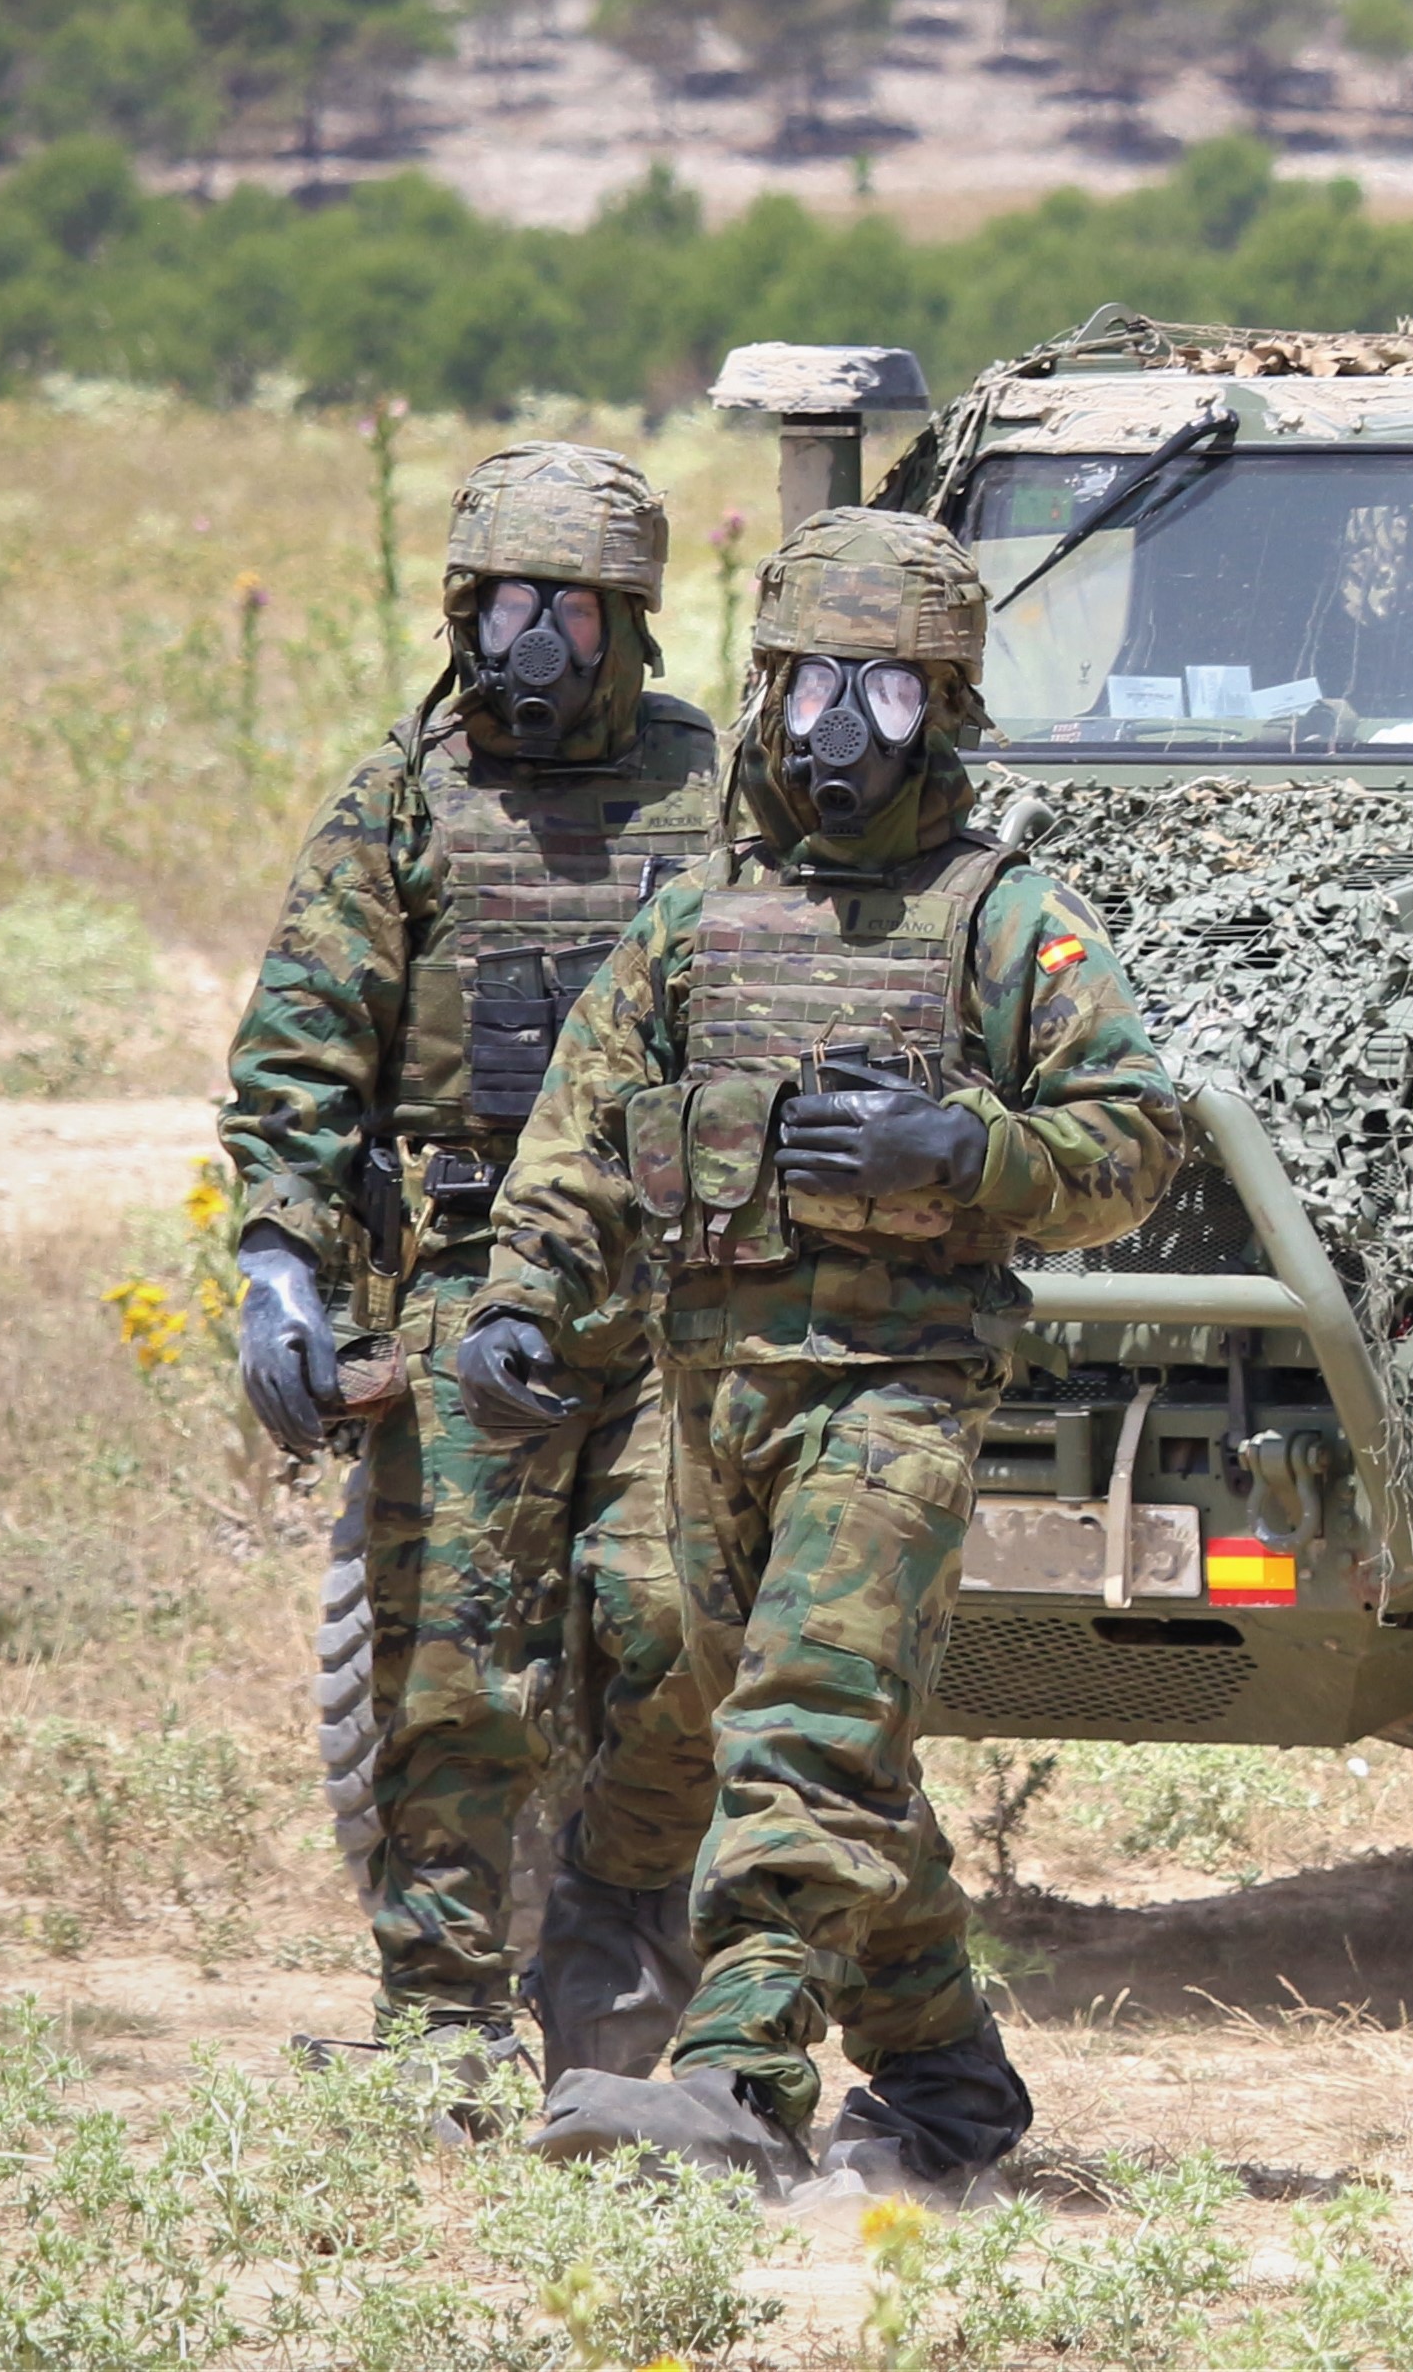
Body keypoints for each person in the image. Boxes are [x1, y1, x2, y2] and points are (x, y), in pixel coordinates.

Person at [471, 506, 1186, 2192]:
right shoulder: (696, 922)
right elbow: (581, 1133)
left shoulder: (1004, 920)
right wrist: (520, 1299)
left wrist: (968, 1154)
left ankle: (737, 2080)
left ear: (944, 711)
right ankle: (947, 2080)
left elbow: (1136, 1143)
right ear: (766, 693)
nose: (836, 728)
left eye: (883, 692)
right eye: (808, 688)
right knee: (812, 1745)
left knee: (803, 1729)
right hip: (710, 1400)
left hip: (895, 1401)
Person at [220, 439, 728, 2087]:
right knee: (454, 1661)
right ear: (458, 610)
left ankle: (613, 1956)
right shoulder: (399, 800)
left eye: (568, 611)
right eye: (504, 604)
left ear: (628, 626)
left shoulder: (714, 792)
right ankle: (440, 2015)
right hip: (457, 1273)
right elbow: (300, 1061)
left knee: (673, 1624)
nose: (533, 642)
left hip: (665, 1290)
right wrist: (280, 1258)